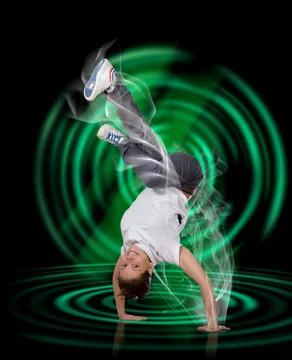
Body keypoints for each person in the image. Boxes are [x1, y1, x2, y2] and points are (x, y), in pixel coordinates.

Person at [83, 58, 230, 333]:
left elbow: (118, 280)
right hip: (186, 178)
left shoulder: (127, 243)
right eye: (134, 264)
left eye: (124, 263)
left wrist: (122, 314)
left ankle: (112, 86)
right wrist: (212, 324)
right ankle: (124, 144)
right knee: (149, 169)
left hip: (158, 169)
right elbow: (203, 281)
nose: (127, 258)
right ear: (149, 268)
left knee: (140, 132)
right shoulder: (167, 250)